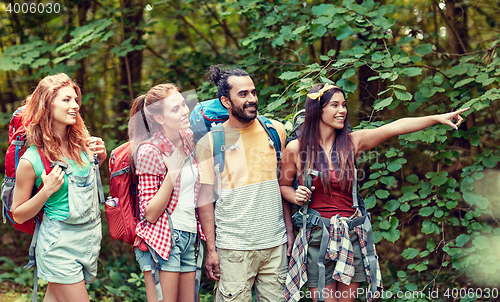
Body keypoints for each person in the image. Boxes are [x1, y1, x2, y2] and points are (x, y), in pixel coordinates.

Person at [280, 83, 469, 302]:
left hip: (350, 233)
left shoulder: (352, 143)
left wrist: (438, 117)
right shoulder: (296, 148)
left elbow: (394, 127)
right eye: (334, 105)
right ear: (317, 109)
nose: (342, 110)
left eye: (344, 105)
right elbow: (283, 185)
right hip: (316, 235)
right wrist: (295, 196)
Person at [195, 65, 294, 302]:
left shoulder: (275, 131)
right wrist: (211, 250)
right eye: (243, 94)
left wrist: (289, 232)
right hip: (233, 250)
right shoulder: (211, 142)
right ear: (226, 102)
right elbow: (205, 200)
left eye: (253, 92)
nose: (252, 99)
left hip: (275, 246)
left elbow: (282, 187)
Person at [12, 73, 107, 302]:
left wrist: (99, 161)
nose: (74, 106)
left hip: (89, 240)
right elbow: (18, 213)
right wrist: (46, 191)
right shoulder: (31, 160)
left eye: (75, 100)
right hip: (58, 245)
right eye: (66, 100)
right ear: (47, 105)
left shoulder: (83, 146)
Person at [129, 84, 205, 302]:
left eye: (183, 104)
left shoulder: (188, 138)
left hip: (190, 236)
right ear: (160, 119)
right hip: (163, 239)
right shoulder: (149, 151)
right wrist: (172, 172)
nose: (184, 111)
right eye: (175, 109)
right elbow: (150, 213)